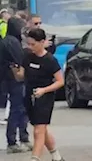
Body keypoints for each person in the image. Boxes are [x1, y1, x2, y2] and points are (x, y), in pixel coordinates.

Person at [14, 28, 65, 161]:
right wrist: (14, 70)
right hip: (30, 96)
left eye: (33, 44)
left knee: (38, 131)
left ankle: (35, 158)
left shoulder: (50, 60)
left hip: (45, 97)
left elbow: (60, 81)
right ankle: (56, 156)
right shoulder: (27, 57)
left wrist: (44, 90)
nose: (30, 47)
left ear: (42, 42)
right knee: (41, 128)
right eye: (28, 44)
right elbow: (20, 77)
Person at [2, 17, 31, 153]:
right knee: (18, 109)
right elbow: (20, 59)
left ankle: (22, 138)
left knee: (20, 108)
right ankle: (13, 141)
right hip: (14, 79)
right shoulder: (12, 42)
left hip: (10, 79)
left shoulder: (8, 40)